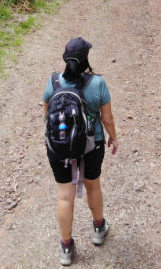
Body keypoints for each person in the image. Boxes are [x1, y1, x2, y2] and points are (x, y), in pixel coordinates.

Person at [43, 37, 119, 266]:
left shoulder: (53, 81)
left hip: (58, 148)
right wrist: (113, 137)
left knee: (64, 196)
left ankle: (66, 248)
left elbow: (47, 116)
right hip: (91, 145)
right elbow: (107, 118)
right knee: (92, 185)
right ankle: (98, 229)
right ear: (87, 60)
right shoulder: (98, 83)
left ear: (65, 59)